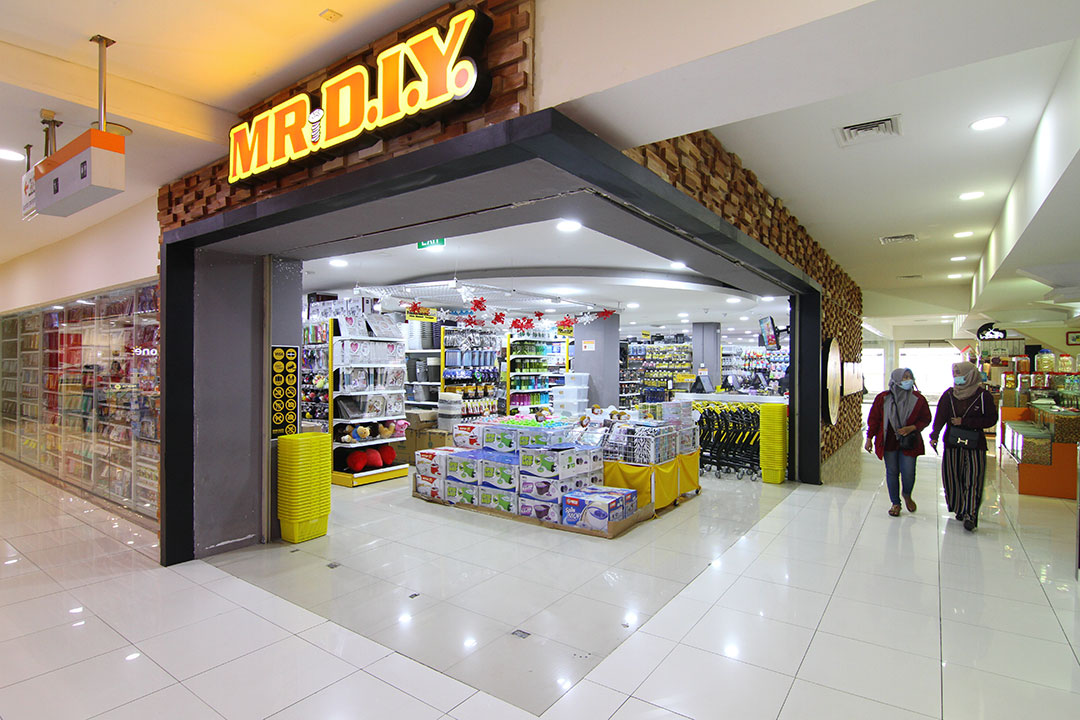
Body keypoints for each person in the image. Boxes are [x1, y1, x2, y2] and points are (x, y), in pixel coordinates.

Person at [929, 361, 998, 531]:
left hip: (974, 443)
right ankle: (959, 508)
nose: (956, 377)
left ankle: (970, 514)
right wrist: (934, 435)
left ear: (970, 375)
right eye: (955, 374)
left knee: (973, 478)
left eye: (959, 374)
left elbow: (991, 419)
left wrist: (965, 421)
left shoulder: (983, 396)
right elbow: (940, 416)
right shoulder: (949, 395)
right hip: (953, 443)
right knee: (953, 477)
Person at [865, 368, 932, 516]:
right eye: (904, 377)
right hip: (889, 441)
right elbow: (874, 419)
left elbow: (926, 418)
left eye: (909, 377)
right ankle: (895, 503)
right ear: (896, 379)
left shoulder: (918, 399)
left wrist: (912, 428)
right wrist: (869, 438)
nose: (908, 380)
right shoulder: (883, 398)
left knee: (908, 472)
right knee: (892, 472)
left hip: (909, 441)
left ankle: (907, 494)